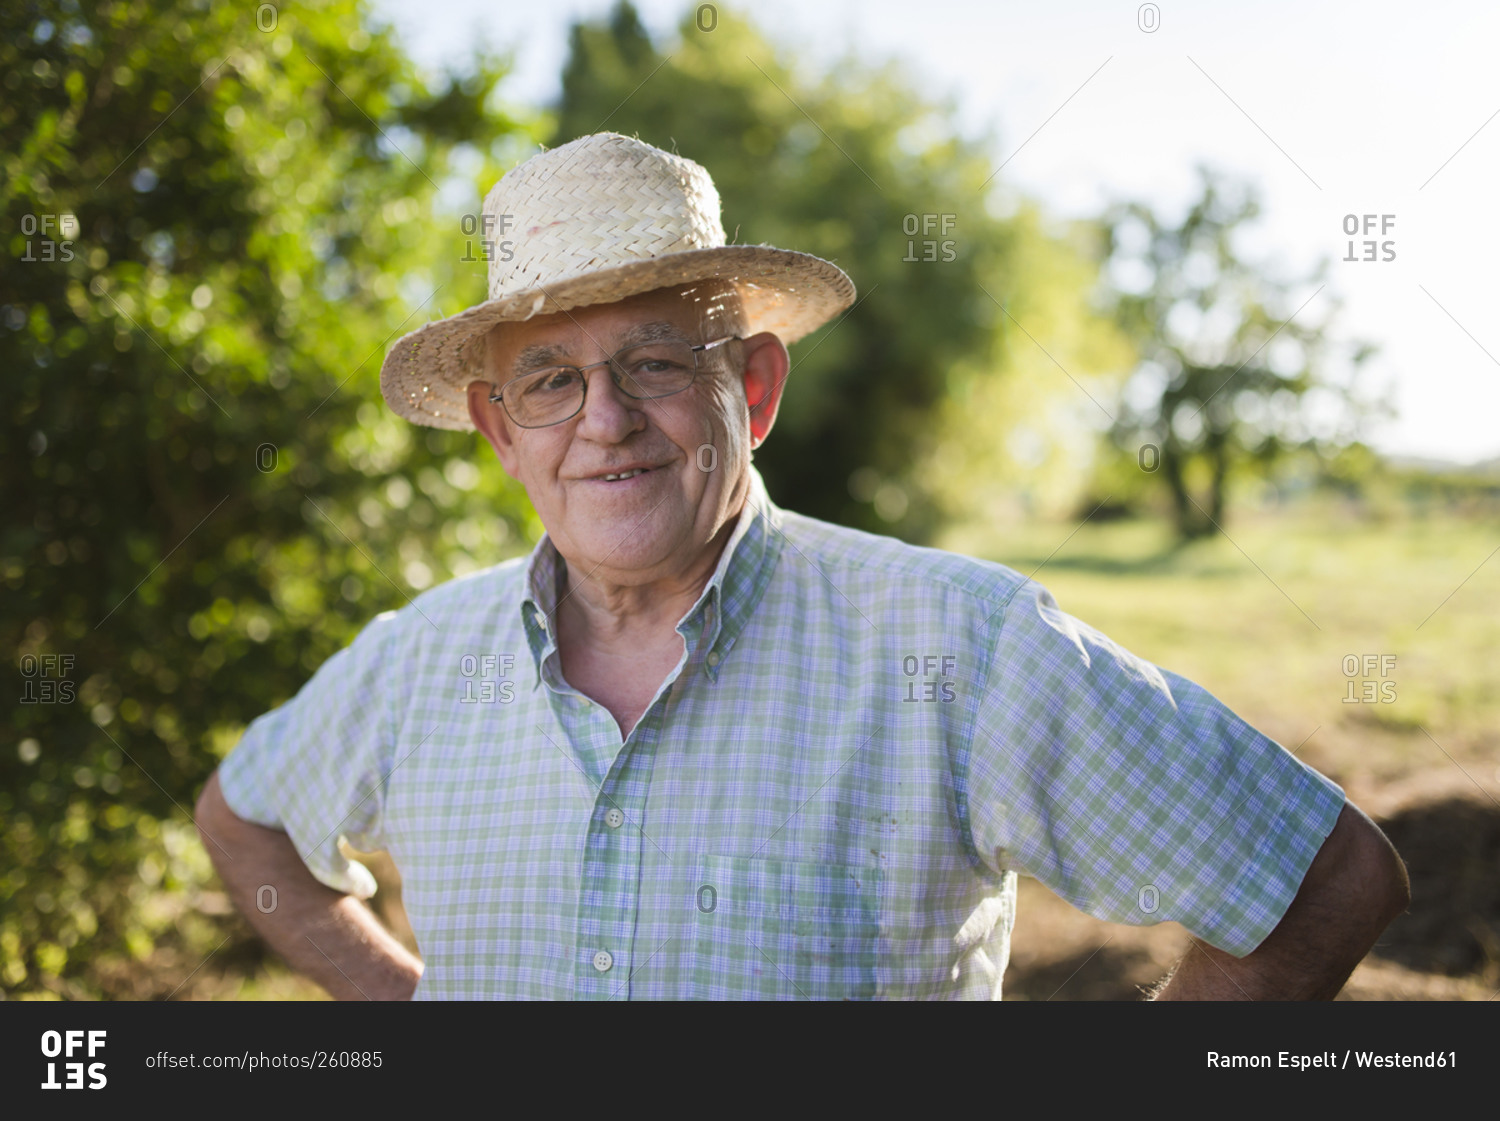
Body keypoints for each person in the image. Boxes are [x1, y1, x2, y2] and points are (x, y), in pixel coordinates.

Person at [195, 132, 1408, 1000]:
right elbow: (243, 820)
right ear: (503, 431)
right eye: (551, 380)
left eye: (657, 361)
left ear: (755, 388)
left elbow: (1327, 878)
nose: (603, 420)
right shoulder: (418, 659)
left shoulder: (960, 642)